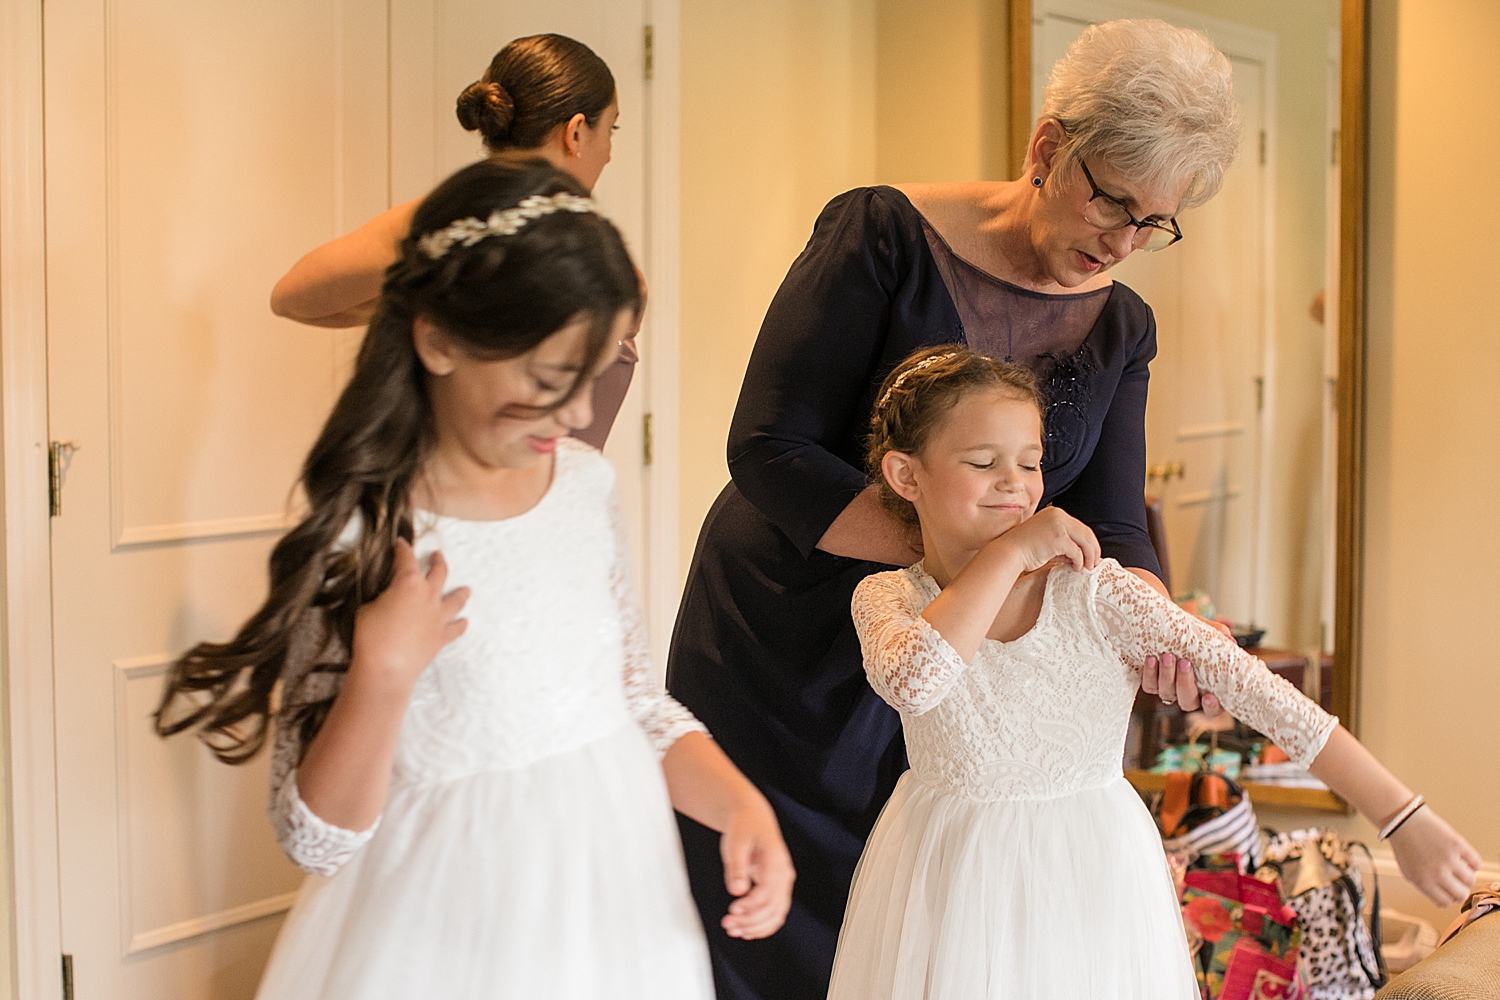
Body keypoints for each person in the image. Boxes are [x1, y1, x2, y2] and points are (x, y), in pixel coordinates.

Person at [666, 20, 1244, 997]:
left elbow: (1112, 525)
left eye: (1156, 223)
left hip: (964, 676)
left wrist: (1159, 624)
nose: (1124, 243)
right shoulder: (881, 236)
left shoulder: (1121, 327)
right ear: (1047, 148)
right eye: (1112, 201)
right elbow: (766, 448)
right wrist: (988, 557)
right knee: (765, 935)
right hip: (784, 647)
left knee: (930, 940)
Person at [155, 159, 794, 1000]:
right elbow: (315, 841)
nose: (575, 416)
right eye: (545, 381)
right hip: (442, 929)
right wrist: (382, 673)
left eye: (593, 378)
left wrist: (741, 805)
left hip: (614, 903)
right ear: (438, 339)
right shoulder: (367, 531)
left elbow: (636, 700)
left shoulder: (582, 486)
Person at [826, 346, 1482, 1000]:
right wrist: (1013, 550)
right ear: (906, 476)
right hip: (946, 876)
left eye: (1029, 463)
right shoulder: (888, 598)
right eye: (983, 462)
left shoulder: (1096, 593)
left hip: (1091, 873)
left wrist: (1402, 817)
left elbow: (1260, 693)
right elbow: (916, 681)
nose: (1015, 483)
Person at [269, 33, 637, 449]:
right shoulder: (600, 264)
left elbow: (291, 298)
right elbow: (291, 298)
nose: (608, 151)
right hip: (489, 505)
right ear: (575, 133)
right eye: (611, 127)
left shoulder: (439, 224)